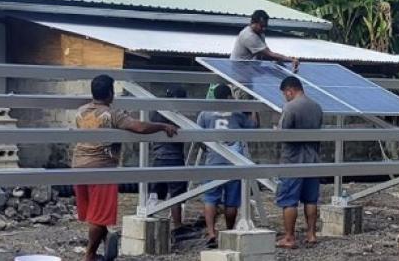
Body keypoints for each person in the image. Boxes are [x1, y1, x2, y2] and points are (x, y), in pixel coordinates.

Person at [72, 75, 178, 261]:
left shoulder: (80, 111)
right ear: (110, 93)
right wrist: (163, 125)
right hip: (102, 169)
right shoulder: (112, 114)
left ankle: (102, 242)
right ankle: (89, 256)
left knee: (93, 213)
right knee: (98, 216)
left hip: (78, 166)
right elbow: (139, 127)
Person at [197, 84, 259, 247]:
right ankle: (228, 231)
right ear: (229, 96)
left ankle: (211, 232)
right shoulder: (237, 113)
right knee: (231, 202)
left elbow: (198, 135)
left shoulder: (205, 113)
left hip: (213, 161)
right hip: (234, 162)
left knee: (210, 198)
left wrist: (207, 149)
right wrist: (253, 108)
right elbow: (253, 127)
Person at [275, 76, 323, 249]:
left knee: (289, 200)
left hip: (293, 160)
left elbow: (283, 132)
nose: (285, 97)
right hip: (313, 160)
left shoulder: (290, 107)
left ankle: (289, 237)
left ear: (290, 90)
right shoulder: (317, 107)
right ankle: (311, 234)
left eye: (285, 94)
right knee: (311, 200)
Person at [149, 86, 189, 235]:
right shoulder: (174, 115)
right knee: (176, 194)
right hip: (173, 157)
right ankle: (177, 226)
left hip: (158, 156)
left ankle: (151, 218)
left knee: (156, 191)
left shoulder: (156, 112)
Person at [231, 9, 300, 71]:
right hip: (238, 70)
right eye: (261, 26)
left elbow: (264, 54)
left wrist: (280, 60)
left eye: (265, 26)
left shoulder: (260, 34)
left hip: (247, 69)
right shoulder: (249, 36)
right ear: (253, 22)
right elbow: (269, 54)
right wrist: (291, 60)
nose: (263, 29)